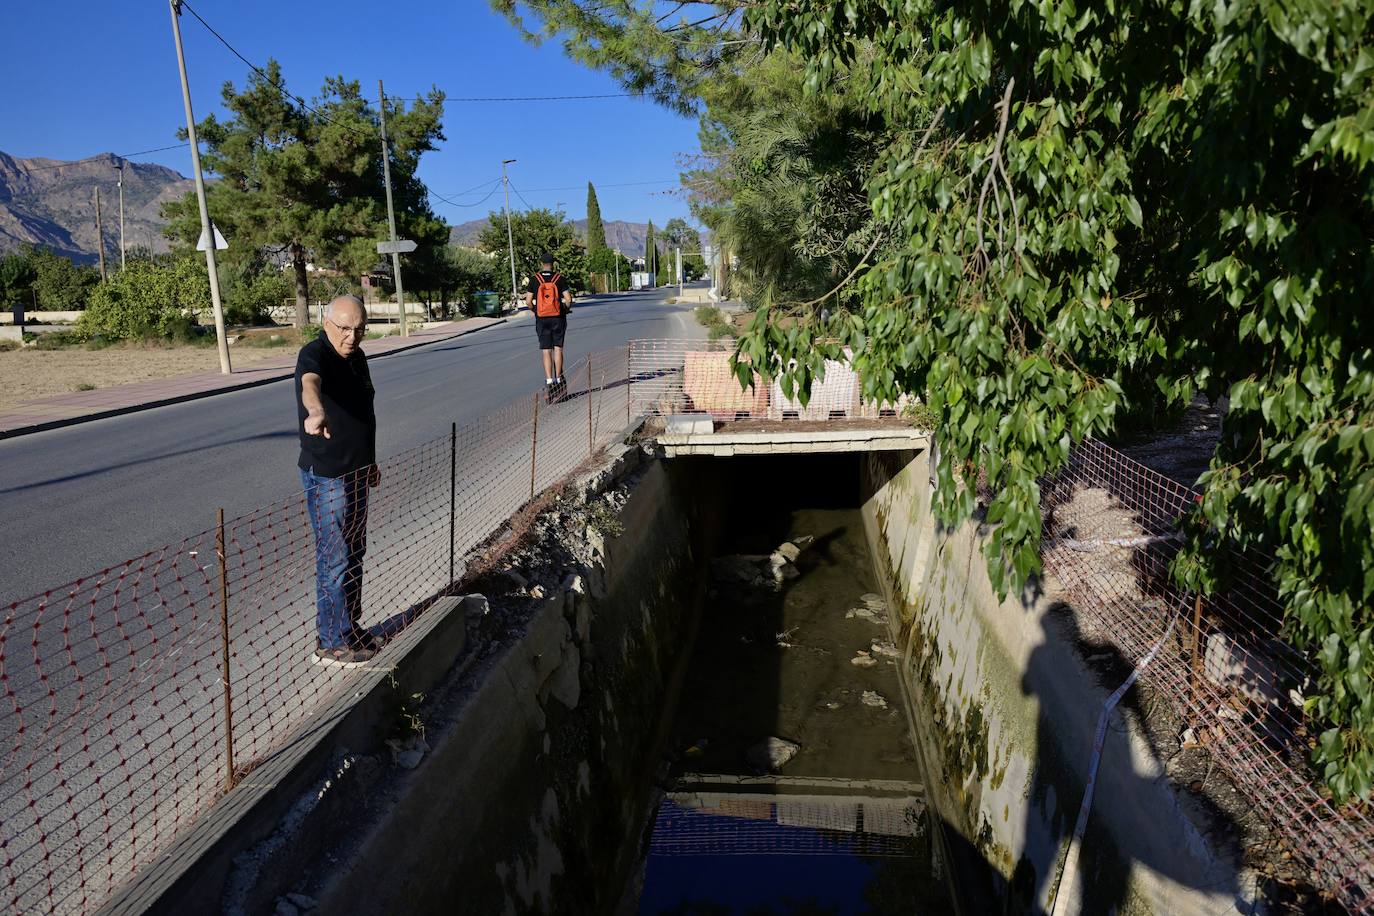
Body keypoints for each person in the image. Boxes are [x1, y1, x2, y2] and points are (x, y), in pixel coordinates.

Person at [295, 295, 382, 666]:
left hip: (358, 470)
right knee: (334, 557)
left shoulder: (358, 356)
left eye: (359, 329)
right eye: (345, 328)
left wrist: (371, 461)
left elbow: (365, 411)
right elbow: (309, 383)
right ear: (327, 323)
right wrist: (315, 412)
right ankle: (330, 640)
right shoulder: (314, 354)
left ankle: (348, 626)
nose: (352, 336)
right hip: (329, 475)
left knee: (355, 552)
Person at [523, 253, 573, 402]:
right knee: (558, 348)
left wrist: (536, 311)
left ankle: (549, 381)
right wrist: (565, 308)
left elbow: (528, 301)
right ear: (553, 264)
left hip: (542, 319)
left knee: (546, 350)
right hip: (558, 318)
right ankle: (558, 378)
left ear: (541, 263)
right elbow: (569, 299)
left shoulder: (534, 280)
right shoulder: (559, 279)